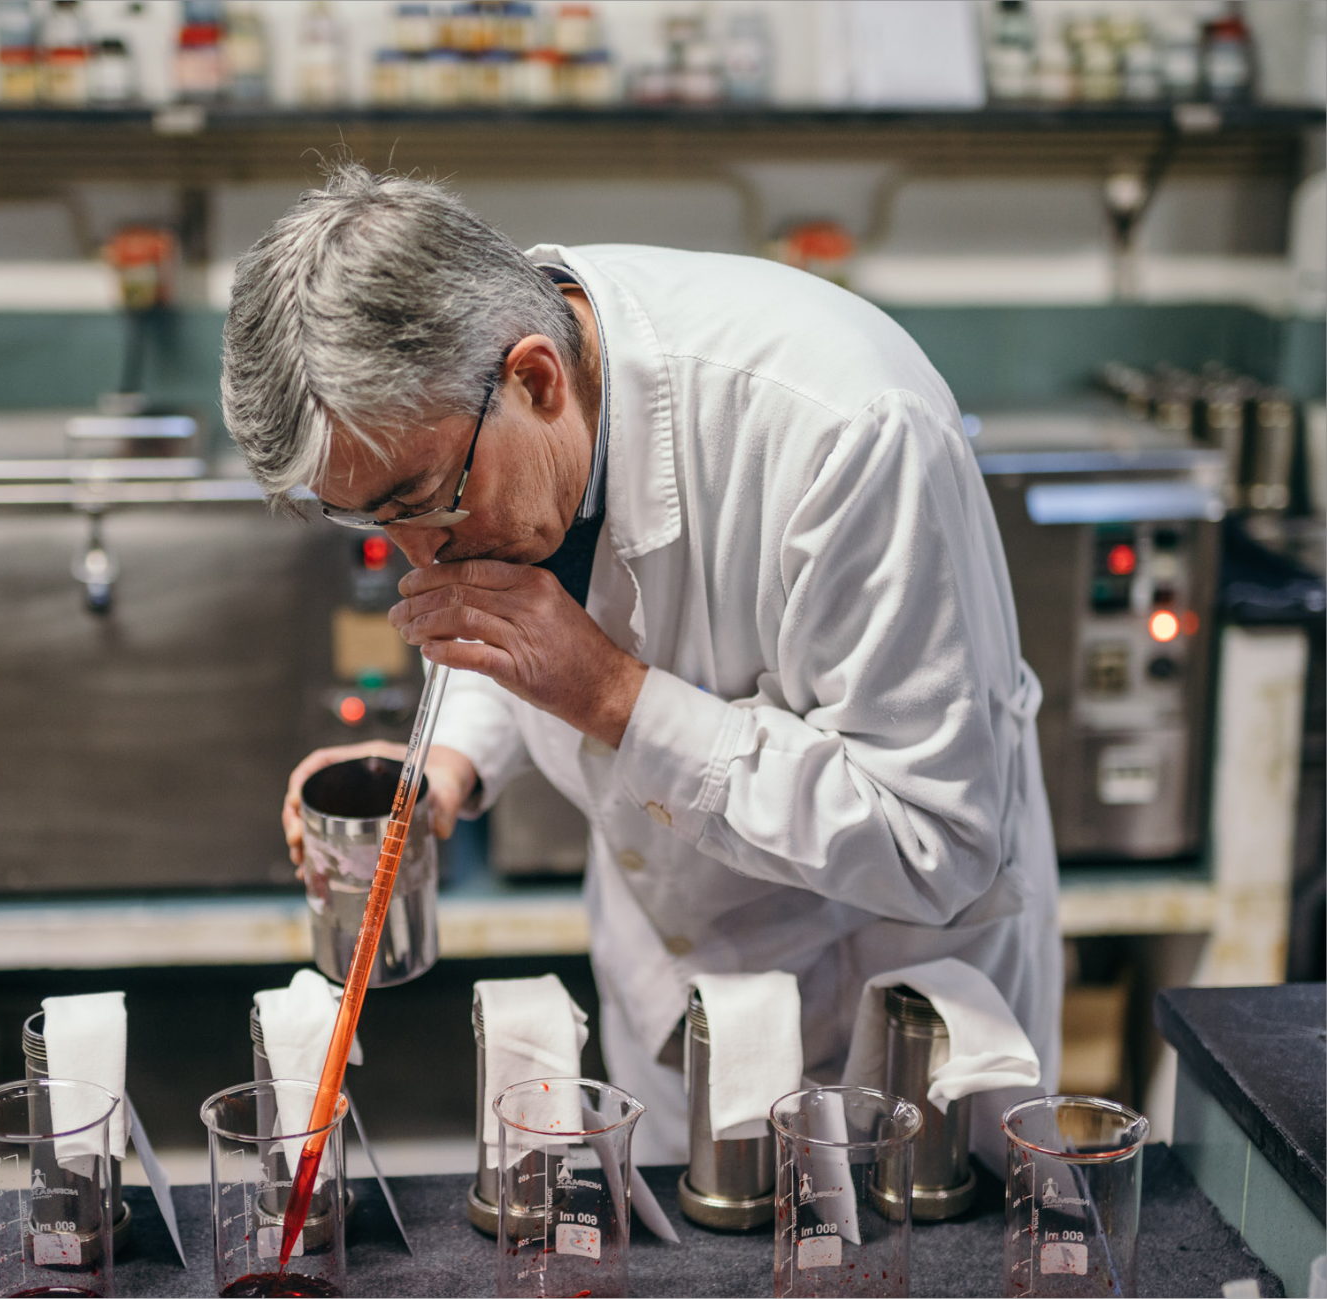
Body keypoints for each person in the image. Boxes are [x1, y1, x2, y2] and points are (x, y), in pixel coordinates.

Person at [222, 163, 1061, 1162]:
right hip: (673, 1008)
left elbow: (938, 840)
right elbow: (537, 613)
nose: (422, 557)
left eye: (423, 502)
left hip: (895, 1035)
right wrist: (441, 770)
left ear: (536, 379)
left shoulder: (847, 432)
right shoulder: (496, 399)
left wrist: (611, 695)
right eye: (370, 520)